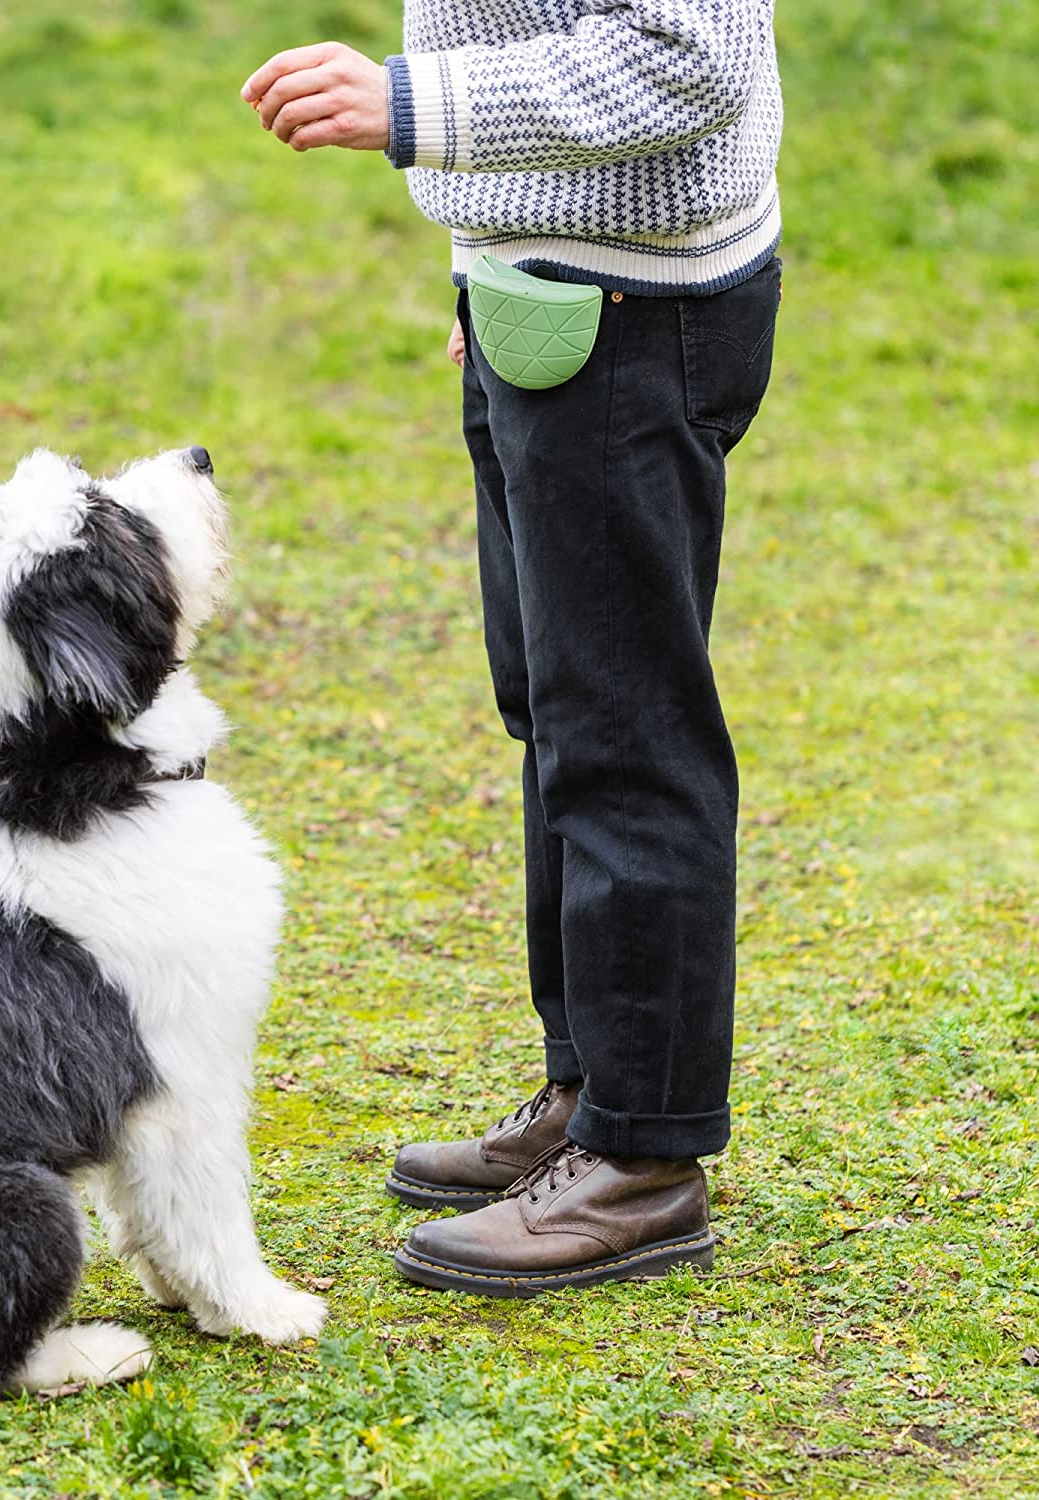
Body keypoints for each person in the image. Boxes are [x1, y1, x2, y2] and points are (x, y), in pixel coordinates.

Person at [242, 2, 783, 1295]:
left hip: (629, 313)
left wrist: (417, 109)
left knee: (624, 732)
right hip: (547, 293)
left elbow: (692, 56)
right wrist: (494, 256)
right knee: (552, 708)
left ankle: (644, 1163)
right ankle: (591, 1090)